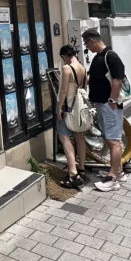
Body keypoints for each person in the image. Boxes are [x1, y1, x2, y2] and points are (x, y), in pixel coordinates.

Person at [82, 29, 126, 193]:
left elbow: (117, 79)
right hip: (101, 104)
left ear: (92, 40)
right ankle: (117, 170)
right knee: (109, 138)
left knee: (114, 140)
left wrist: (112, 100)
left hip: (109, 105)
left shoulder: (111, 56)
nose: (87, 47)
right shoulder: (98, 58)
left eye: (87, 44)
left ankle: (112, 178)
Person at [56, 45, 88, 188]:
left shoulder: (67, 68)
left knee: (64, 137)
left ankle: (73, 173)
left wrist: (59, 108)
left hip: (68, 107)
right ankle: (81, 169)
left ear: (64, 56)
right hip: (79, 108)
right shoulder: (82, 68)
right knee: (79, 136)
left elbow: (63, 90)